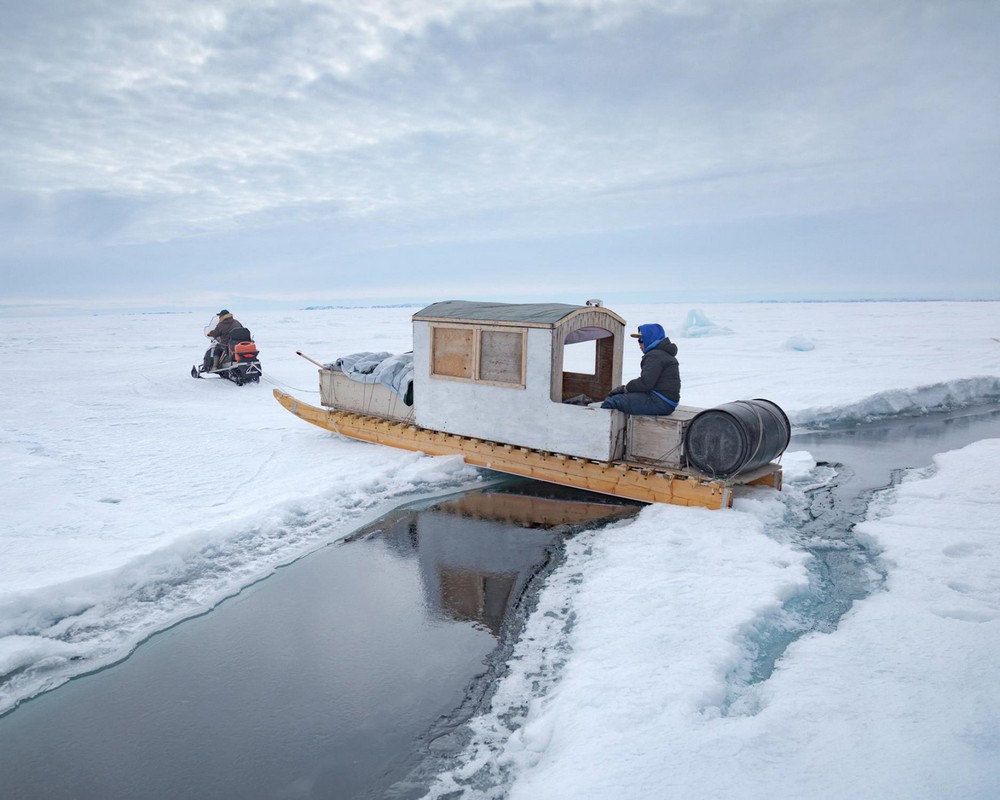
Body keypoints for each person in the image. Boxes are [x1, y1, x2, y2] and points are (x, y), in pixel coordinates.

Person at [600, 323, 680, 415]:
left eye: (641, 340)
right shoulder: (662, 354)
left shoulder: (654, 356)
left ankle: (599, 427)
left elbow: (645, 383)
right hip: (665, 401)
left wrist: (625, 389)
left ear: (650, 338)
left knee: (613, 401)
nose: (639, 344)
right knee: (622, 398)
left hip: (660, 402)